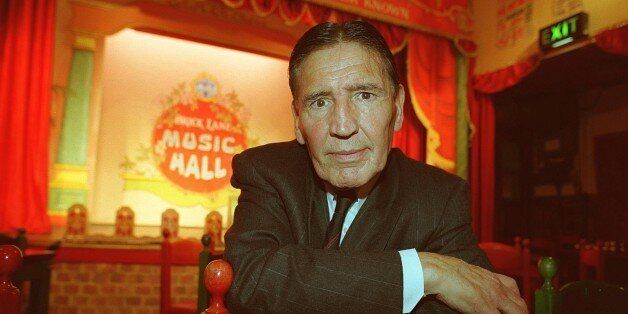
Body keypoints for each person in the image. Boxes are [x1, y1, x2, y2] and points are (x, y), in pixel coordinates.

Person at [224, 21, 527, 313]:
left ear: (397, 109)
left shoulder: (439, 197)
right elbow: (251, 279)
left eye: (364, 95)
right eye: (320, 102)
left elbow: (476, 302)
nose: (343, 126)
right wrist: (422, 272)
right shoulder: (267, 171)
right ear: (298, 121)